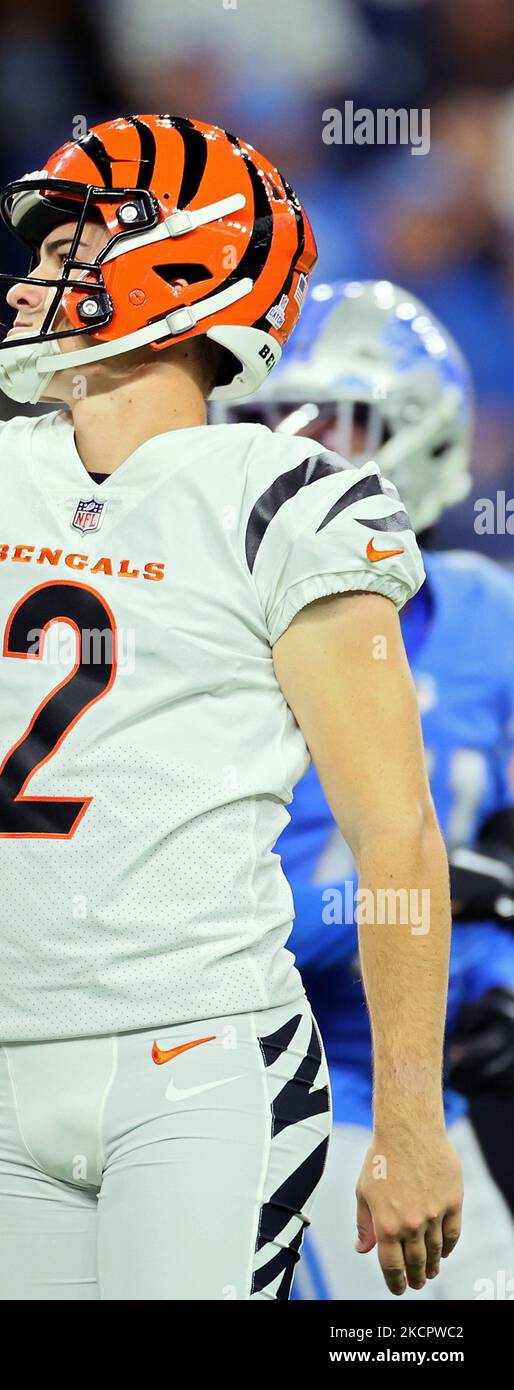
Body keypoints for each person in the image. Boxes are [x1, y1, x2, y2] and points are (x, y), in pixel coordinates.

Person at [0, 112, 461, 1300]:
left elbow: (395, 834)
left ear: (182, 260)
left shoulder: (284, 499)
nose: (23, 287)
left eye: (63, 252)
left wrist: (410, 1118)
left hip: (203, 1054)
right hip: (2, 1063)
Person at [231, 278, 514, 1299]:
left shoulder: (488, 616)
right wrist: (400, 902)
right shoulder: (201, 624)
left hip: (434, 1093)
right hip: (240, 1087)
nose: (298, 457)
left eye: (334, 425)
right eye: (261, 426)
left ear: (421, 437)